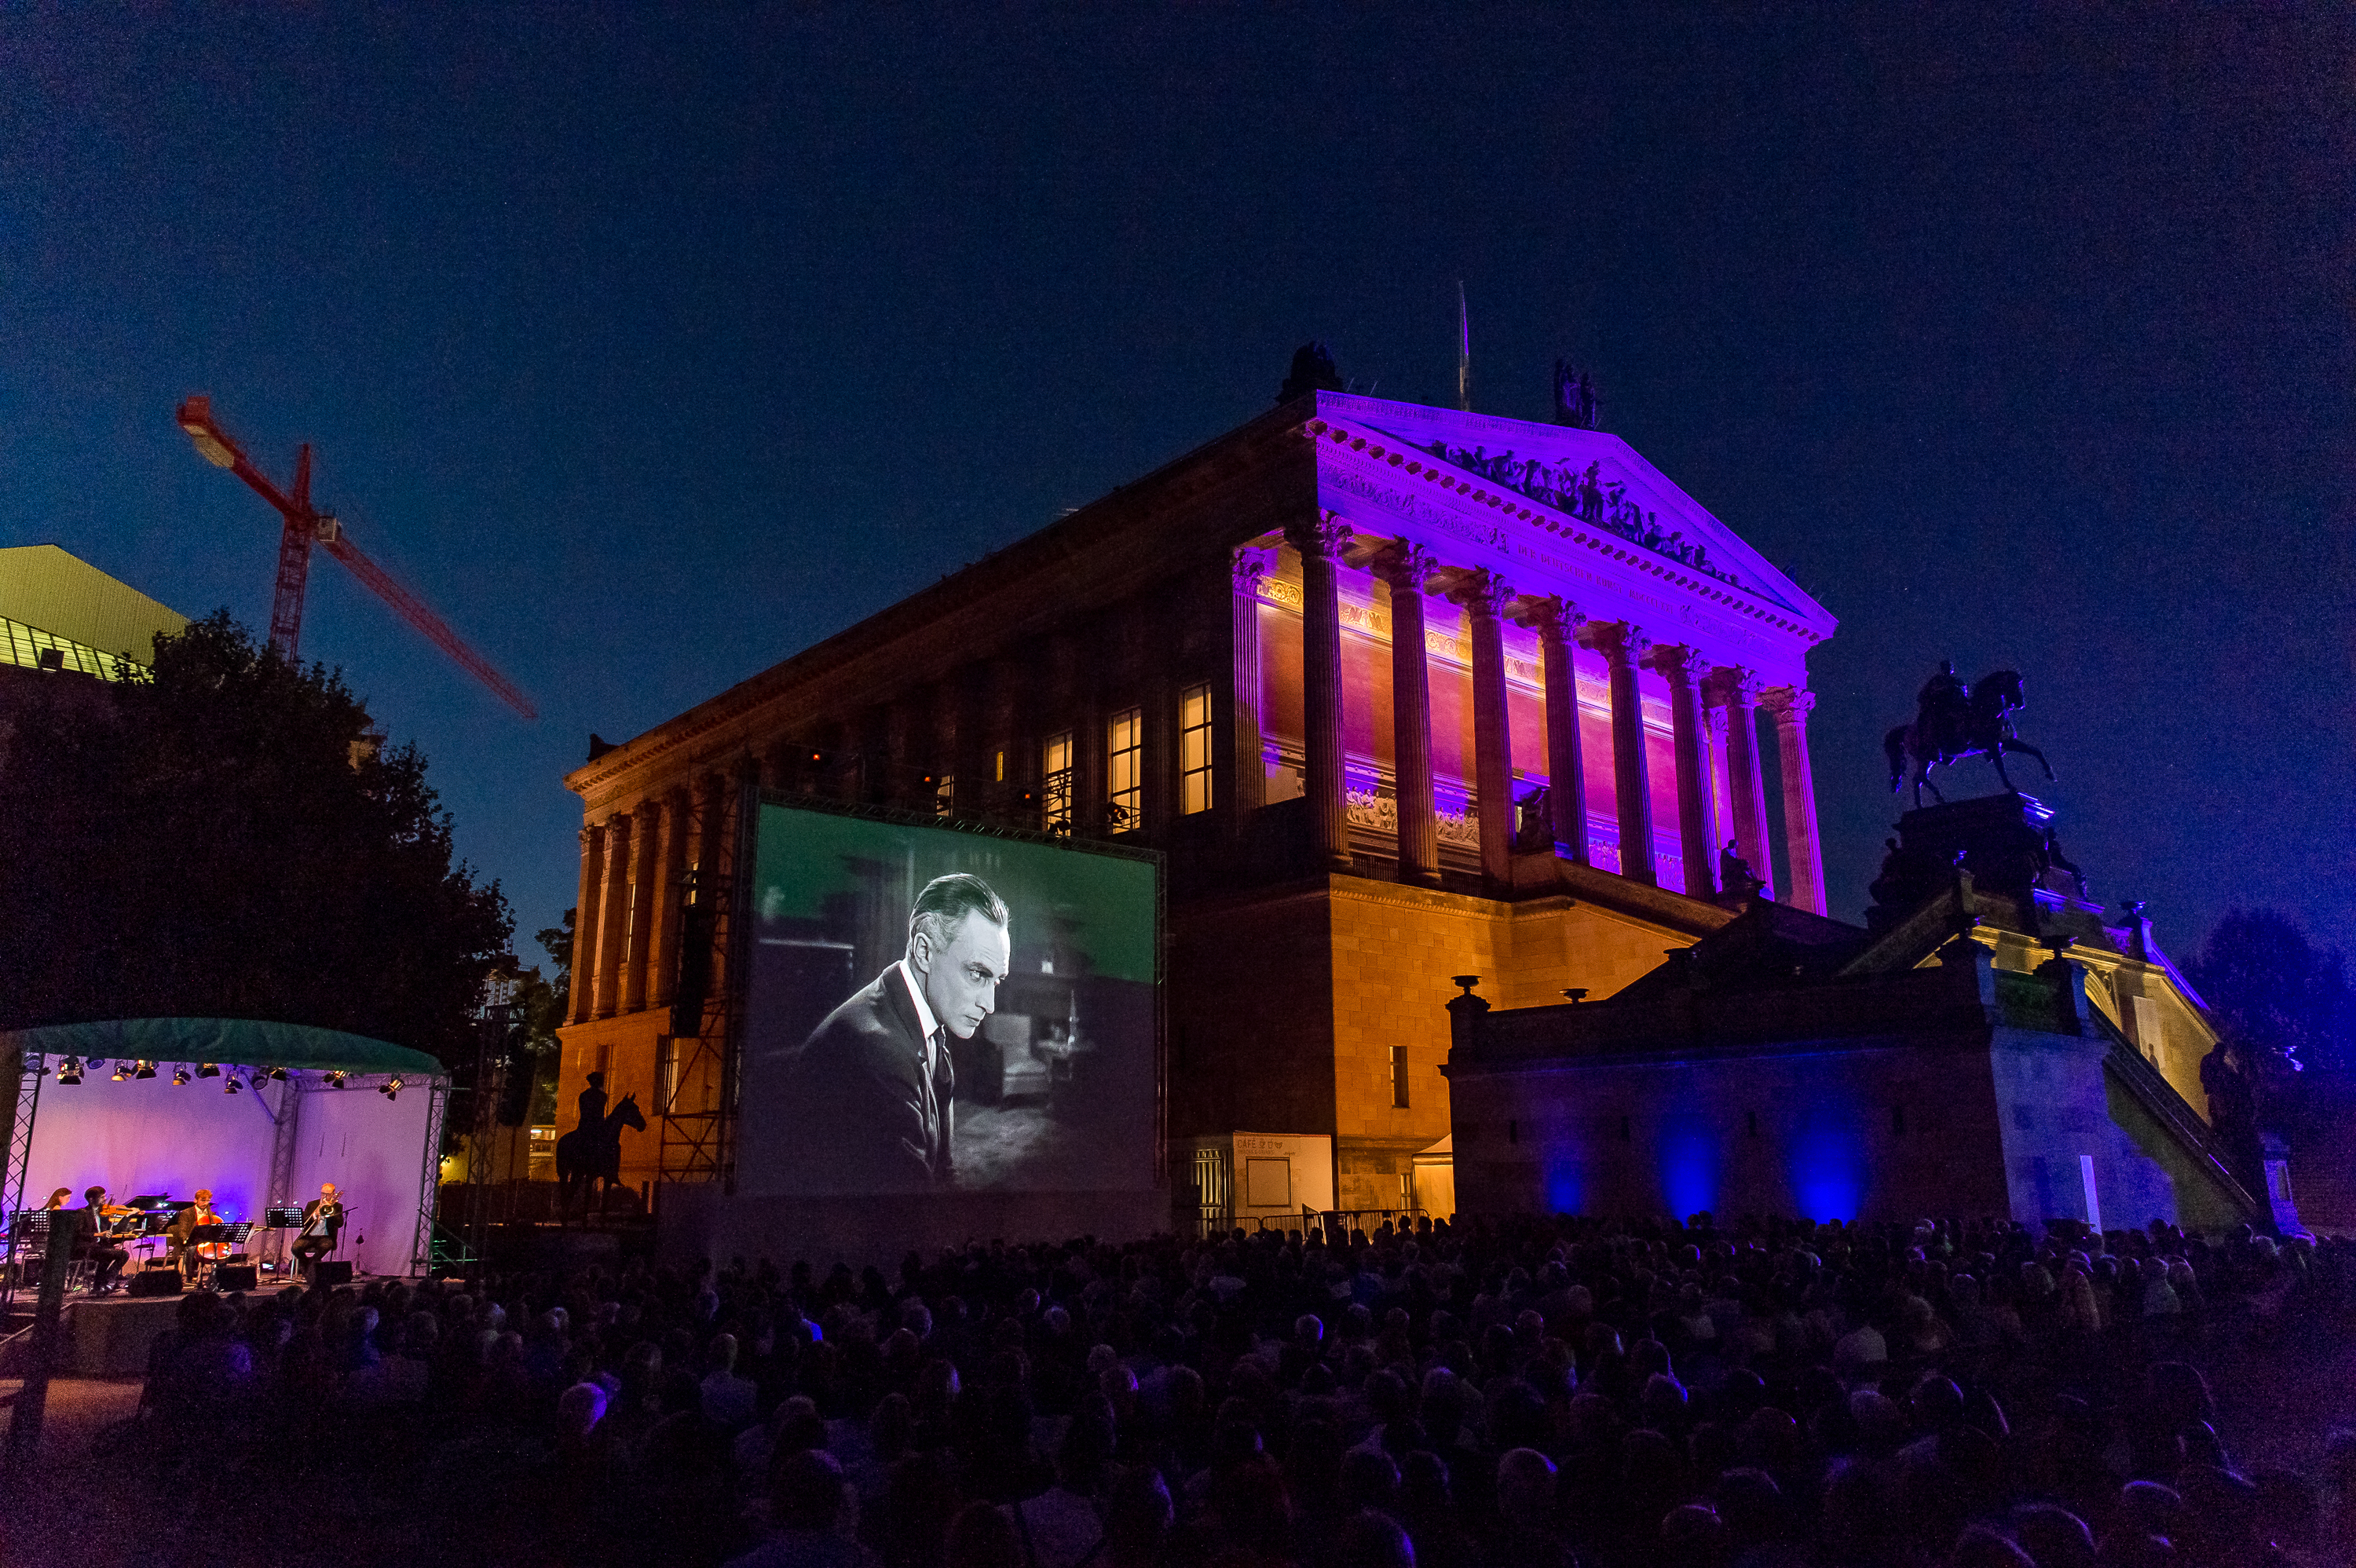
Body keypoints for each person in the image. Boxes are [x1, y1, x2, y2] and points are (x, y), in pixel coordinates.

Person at [774, 874, 1009, 1193]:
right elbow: (909, 1211)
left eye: (996, 980)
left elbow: (943, 1170)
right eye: (977, 973)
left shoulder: (927, 1020)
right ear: (924, 951)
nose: (990, 1004)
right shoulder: (878, 1052)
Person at [78, 1186, 129, 1294]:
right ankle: (106, 1281)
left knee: (111, 1256)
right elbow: (79, 1234)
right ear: (91, 1199)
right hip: (87, 1247)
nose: (105, 1199)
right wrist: (99, 1234)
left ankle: (99, 1286)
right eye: (102, 1197)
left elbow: (114, 1231)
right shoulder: (82, 1213)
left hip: (99, 1247)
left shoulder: (103, 1215)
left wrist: (127, 1217)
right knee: (120, 1255)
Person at [170, 1188, 226, 1280]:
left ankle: (220, 1276)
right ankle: (191, 1276)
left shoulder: (211, 1214)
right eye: (203, 1200)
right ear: (196, 1200)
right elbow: (182, 1230)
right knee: (192, 1248)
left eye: (208, 1201)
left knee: (223, 1251)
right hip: (192, 1240)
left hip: (207, 1241)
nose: (205, 1203)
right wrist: (186, 1239)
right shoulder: (187, 1213)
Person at [294, 1182, 345, 1278]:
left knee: (325, 1246)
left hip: (326, 1236)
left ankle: (308, 1269)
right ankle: (308, 1265)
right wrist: (314, 1214)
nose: (325, 1196)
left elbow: (340, 1224)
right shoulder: (312, 1204)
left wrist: (331, 1213)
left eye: (328, 1194)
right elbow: (304, 1221)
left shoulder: (338, 1207)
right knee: (295, 1248)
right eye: (323, 1193)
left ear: (333, 1194)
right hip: (310, 1235)